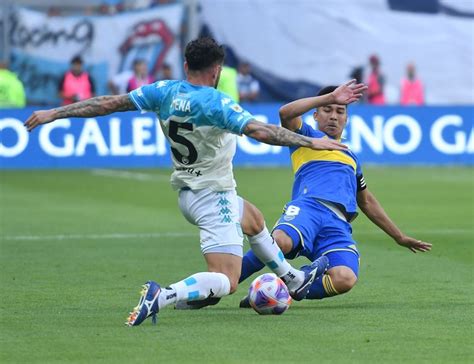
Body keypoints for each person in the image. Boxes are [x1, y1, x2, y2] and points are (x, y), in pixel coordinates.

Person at [24, 37, 362, 327]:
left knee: (255, 220)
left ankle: (294, 277)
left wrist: (55, 113)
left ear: (186, 65)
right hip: (214, 197)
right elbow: (261, 131)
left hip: (188, 191)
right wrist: (308, 141)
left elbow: (109, 103)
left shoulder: (163, 91)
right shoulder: (216, 103)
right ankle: (165, 294)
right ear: (216, 71)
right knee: (227, 281)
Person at [237, 85, 432, 306]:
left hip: (338, 225)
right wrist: (328, 97)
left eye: (340, 111)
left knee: (345, 278)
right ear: (316, 114)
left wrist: (399, 237)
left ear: (347, 119)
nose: (333, 116)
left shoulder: (351, 158)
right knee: (280, 241)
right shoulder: (306, 136)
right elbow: (286, 113)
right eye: (327, 109)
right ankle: (228, 282)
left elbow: (366, 201)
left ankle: (273, 292)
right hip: (308, 209)